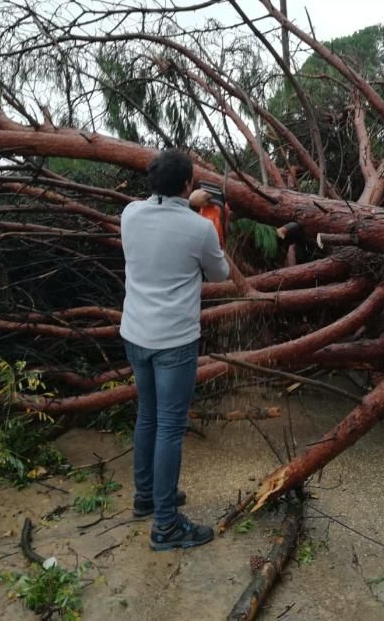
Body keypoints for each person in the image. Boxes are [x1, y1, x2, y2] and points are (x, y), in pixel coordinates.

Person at [119, 148, 229, 551]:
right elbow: (219, 273)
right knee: (169, 426)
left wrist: (186, 204)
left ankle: (146, 497)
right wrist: (203, 214)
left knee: (148, 415)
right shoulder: (198, 229)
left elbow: (162, 221)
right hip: (174, 343)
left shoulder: (129, 215)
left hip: (135, 334)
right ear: (187, 184)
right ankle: (165, 525)